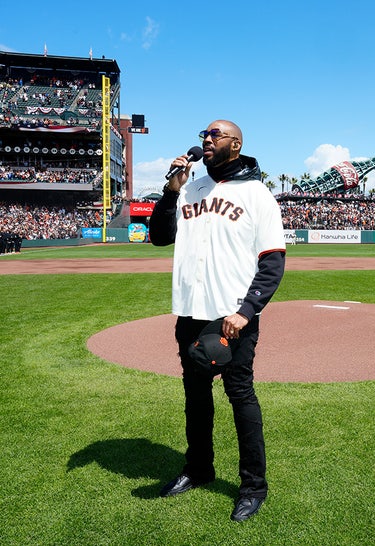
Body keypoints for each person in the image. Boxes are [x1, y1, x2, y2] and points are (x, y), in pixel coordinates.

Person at [149, 119, 286, 522]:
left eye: (214, 135)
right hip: (190, 311)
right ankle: (199, 469)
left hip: (232, 318)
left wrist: (246, 312)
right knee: (195, 398)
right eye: (203, 136)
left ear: (236, 144)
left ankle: (253, 486)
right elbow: (159, 236)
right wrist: (170, 191)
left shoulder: (257, 194)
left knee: (240, 398)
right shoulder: (190, 187)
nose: (206, 140)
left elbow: (272, 262)